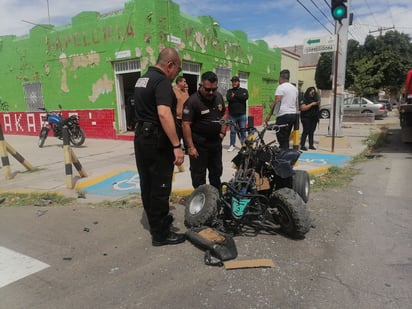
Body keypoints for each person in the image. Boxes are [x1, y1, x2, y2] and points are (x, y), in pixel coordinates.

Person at [133, 47, 185, 247]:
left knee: (147, 183)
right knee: (161, 186)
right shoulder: (162, 81)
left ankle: (156, 222)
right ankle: (161, 234)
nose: (176, 75)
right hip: (156, 141)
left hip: (141, 138)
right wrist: (176, 145)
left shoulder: (143, 79)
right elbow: (164, 114)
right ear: (170, 65)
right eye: (177, 70)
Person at [182, 71, 227, 190]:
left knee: (216, 173)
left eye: (214, 89)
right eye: (208, 89)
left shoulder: (218, 97)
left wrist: (222, 132)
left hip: (215, 143)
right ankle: (200, 201)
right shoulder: (192, 101)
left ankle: (216, 198)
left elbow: (224, 114)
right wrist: (190, 147)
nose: (211, 92)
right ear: (201, 85)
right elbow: (186, 124)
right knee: (198, 176)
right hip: (199, 145)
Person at [264, 69, 298, 150]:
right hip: (293, 115)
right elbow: (295, 102)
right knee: (286, 138)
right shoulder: (294, 89)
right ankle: (285, 152)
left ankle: (283, 156)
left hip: (283, 115)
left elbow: (277, 102)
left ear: (281, 77)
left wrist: (269, 115)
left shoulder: (281, 87)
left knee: (282, 139)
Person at [226, 76, 249, 152]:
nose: (234, 83)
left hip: (242, 114)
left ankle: (244, 146)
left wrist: (235, 96)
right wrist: (238, 98)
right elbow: (228, 99)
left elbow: (245, 98)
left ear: (239, 82)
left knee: (243, 131)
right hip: (232, 115)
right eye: (233, 81)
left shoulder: (244, 90)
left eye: (235, 81)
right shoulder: (229, 91)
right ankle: (232, 145)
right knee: (232, 131)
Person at [172, 75, 189, 149]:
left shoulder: (185, 90)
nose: (186, 83)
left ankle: (187, 148)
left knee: (186, 134)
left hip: (185, 117)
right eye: (184, 81)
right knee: (177, 134)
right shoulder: (173, 90)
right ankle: (177, 148)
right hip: (177, 118)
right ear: (179, 82)